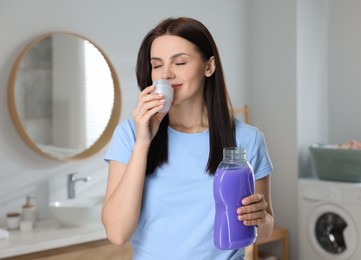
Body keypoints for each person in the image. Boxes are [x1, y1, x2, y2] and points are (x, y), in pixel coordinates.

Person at [102, 17, 274, 260]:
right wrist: (143, 142)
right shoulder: (130, 135)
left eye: (180, 62)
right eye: (157, 65)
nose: (167, 74)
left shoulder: (247, 138)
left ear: (209, 66)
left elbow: (264, 230)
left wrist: (260, 218)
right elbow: (117, 233)